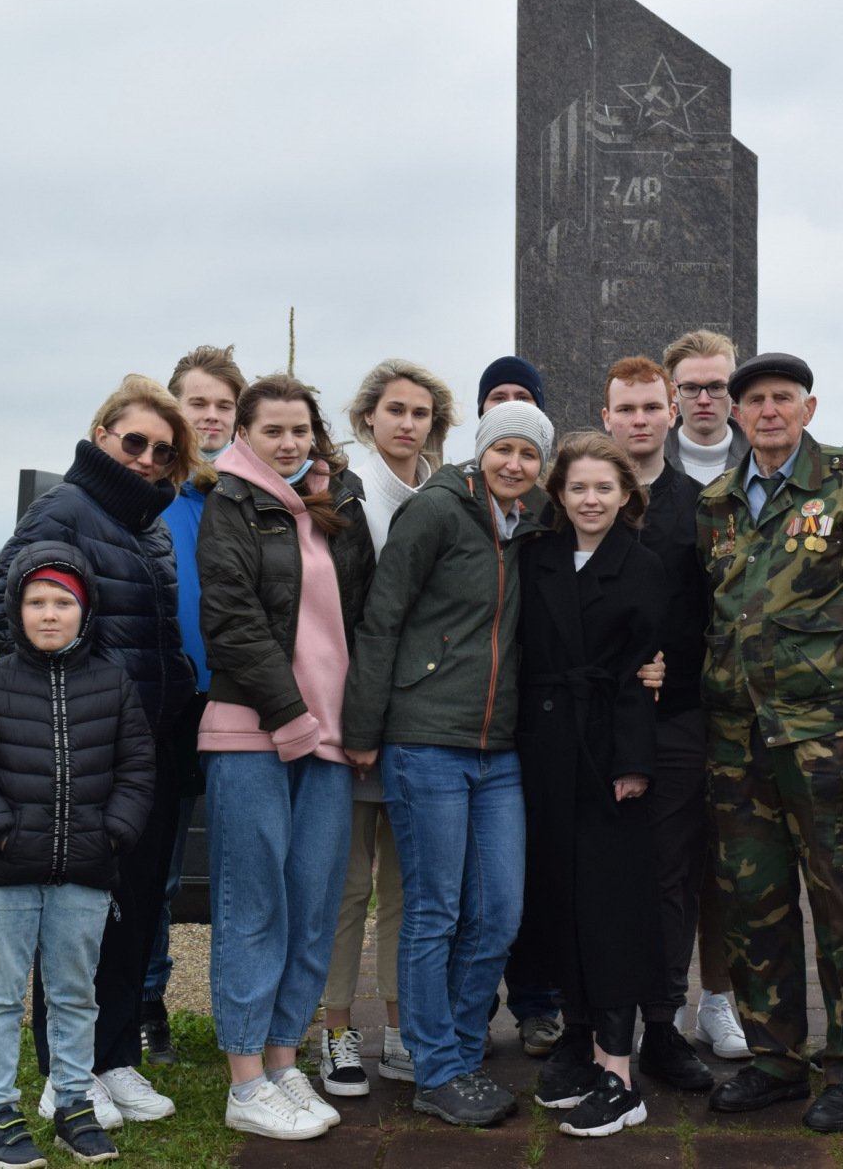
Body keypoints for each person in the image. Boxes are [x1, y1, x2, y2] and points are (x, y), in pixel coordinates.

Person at [697, 352, 843, 1133]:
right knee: (754, 905)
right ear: (736, 413)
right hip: (736, 737)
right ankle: (775, 1061)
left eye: (782, 398)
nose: (768, 411)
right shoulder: (717, 502)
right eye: (753, 400)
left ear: (809, 408)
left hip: (825, 734)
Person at [0, 374, 199, 1128]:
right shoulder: (66, 511)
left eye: (163, 451)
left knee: (133, 915)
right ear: (101, 434)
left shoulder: (148, 525)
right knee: (80, 922)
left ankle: (115, 1060)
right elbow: (10, 607)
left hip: (147, 751)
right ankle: (65, 1075)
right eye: (133, 441)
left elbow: (157, 638)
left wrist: (176, 697)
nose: (146, 458)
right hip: (89, 752)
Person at [340, 401, 554, 1127]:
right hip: (425, 737)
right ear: (481, 451)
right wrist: (365, 724)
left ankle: (460, 1051)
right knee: (436, 910)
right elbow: (383, 615)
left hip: (499, 748)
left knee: (499, 910)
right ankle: (435, 1065)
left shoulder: (533, 522)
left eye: (529, 454)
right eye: (504, 451)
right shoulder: (437, 511)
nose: (515, 465)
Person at [194, 373, 376, 1138]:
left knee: (311, 908)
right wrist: (291, 716)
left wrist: (354, 723)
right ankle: (243, 1082)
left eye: (300, 429)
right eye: (273, 431)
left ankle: (281, 1061)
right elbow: (231, 618)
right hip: (253, 734)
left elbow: (368, 620)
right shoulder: (229, 503)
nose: (290, 443)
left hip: (331, 742)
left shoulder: (342, 505)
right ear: (245, 435)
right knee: (254, 906)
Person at [0, 544, 156, 1169]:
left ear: (84, 611)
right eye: (36, 601)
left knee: (74, 994)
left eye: (62, 602)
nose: (48, 614)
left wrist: (114, 832)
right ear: (18, 610)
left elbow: (137, 767)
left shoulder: (111, 684)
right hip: (7, 873)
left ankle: (73, 1107)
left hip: (85, 873)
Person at [510, 433, 669, 1137]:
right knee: (559, 901)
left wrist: (632, 763)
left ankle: (619, 1073)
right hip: (543, 752)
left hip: (607, 754)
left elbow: (644, 670)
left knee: (610, 911)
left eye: (605, 487)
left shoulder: (642, 565)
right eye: (578, 488)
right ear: (558, 496)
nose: (591, 499)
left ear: (626, 495)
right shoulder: (534, 556)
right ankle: (577, 1042)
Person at [316, 360, 457, 1094]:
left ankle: (403, 1026)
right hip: (348, 709)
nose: (407, 423)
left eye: (421, 412)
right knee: (346, 885)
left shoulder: (450, 493)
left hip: (422, 719)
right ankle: (337, 1031)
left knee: (409, 887)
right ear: (368, 416)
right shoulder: (344, 492)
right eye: (394, 409)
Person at [596, 357, 718, 1094]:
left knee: (672, 876)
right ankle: (599, 1026)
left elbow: (717, 612)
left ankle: (664, 1027)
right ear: (605, 415)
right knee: (602, 877)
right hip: (593, 725)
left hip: (676, 720)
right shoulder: (580, 496)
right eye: (625, 408)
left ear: (671, 412)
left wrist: (679, 666)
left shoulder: (704, 505)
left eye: (651, 407)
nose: (639, 420)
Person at [140, 344, 248, 1068]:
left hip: (241, 698)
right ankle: (147, 1004)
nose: (208, 416)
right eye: (197, 402)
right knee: (158, 867)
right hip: (165, 702)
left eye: (222, 405)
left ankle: (246, 1015)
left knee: (245, 867)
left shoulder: (248, 492)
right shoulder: (147, 489)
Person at [655, 330, 752, 1060]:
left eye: (718, 385)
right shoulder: (648, 476)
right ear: (671, 395)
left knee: (733, 861)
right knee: (672, 859)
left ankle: (718, 999)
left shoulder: (766, 464)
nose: (706, 398)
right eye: (691, 387)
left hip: (755, 698)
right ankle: (658, 1000)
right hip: (680, 700)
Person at [473, 355, 561, 1055]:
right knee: (476, 881)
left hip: (541, 710)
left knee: (532, 872)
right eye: (497, 402)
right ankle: (470, 1006)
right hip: (472, 717)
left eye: (523, 402)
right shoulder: (456, 503)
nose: (510, 410)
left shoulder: (553, 509)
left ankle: (537, 1001)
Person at [662, 330, 750, 485]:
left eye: (716, 387)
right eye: (691, 388)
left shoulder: (764, 461)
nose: (703, 400)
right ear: (674, 393)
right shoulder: (643, 461)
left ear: (733, 390)